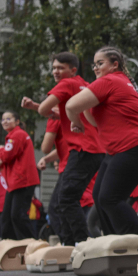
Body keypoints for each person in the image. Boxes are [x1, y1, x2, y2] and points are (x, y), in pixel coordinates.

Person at [66, 47, 138, 237]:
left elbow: (70, 105)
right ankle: (115, 244)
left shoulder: (110, 80)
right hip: (127, 148)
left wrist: (76, 123)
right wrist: (86, 107)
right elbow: (95, 121)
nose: (96, 68)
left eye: (100, 63)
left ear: (115, 65)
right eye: (94, 65)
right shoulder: (120, 81)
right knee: (100, 198)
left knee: (110, 198)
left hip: (135, 146)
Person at [23, 52, 104, 246]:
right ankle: (70, 245)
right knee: (61, 202)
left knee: (66, 200)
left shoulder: (66, 85)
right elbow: (63, 114)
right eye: (53, 68)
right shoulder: (85, 85)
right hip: (96, 150)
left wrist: (38, 107)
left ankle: (81, 244)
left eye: (60, 68)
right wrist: (36, 106)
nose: (55, 72)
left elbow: (45, 111)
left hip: (82, 150)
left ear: (72, 69)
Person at [0, 111, 39, 240]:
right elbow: (6, 153)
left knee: (17, 215)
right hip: (14, 182)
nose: (5, 121)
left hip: (22, 181)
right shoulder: (13, 136)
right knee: (6, 217)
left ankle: (31, 242)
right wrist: (1, 152)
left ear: (17, 121)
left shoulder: (17, 134)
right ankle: (10, 245)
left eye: (9, 118)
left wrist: (0, 154)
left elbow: (7, 155)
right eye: (3, 120)